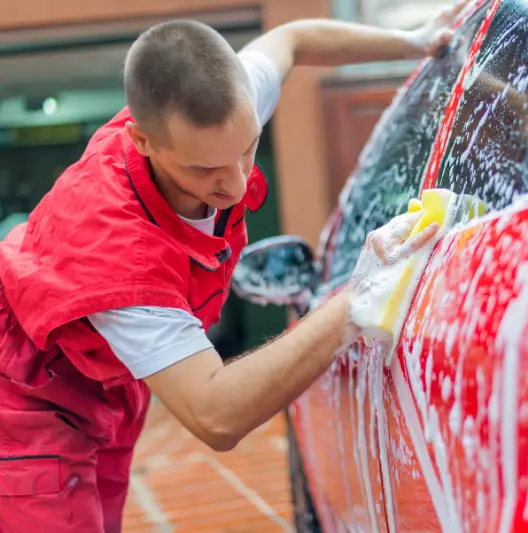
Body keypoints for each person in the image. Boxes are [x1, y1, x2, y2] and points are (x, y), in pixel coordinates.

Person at [0, 4, 463, 532]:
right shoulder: (118, 256)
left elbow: (294, 39)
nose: (238, 184)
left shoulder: (222, 108)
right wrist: (356, 300)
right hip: (22, 403)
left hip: (98, 387)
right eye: (205, 170)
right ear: (142, 141)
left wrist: (418, 42)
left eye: (249, 149)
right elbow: (215, 414)